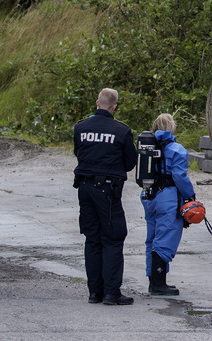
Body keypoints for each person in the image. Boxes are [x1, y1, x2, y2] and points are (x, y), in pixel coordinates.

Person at [73, 87, 137, 306]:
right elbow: (130, 163)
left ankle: (95, 292)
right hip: (107, 191)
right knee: (112, 238)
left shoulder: (80, 127)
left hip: (85, 189)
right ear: (114, 107)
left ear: (97, 103)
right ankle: (111, 293)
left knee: (92, 239)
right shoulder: (121, 131)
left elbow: (78, 153)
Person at [140, 113, 196, 296]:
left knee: (152, 239)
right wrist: (190, 196)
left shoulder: (147, 147)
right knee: (165, 239)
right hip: (168, 198)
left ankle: (154, 281)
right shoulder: (177, 150)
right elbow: (180, 176)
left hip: (149, 197)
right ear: (172, 127)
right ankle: (159, 285)